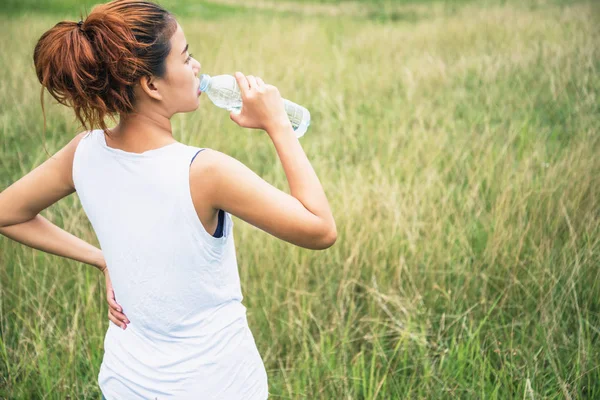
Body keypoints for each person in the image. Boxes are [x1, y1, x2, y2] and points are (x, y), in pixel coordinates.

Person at [0, 0, 336, 398]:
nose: (197, 67)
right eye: (186, 56)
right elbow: (320, 230)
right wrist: (278, 123)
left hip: (127, 383)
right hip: (218, 385)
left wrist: (102, 258)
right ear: (152, 85)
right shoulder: (204, 172)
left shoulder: (83, 152)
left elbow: (7, 214)